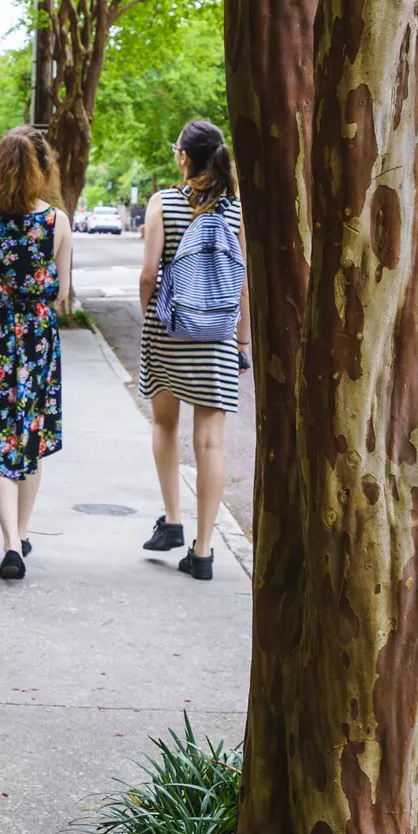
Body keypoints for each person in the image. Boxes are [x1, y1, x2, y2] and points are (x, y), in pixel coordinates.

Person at [0, 128, 73, 580]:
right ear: (41, 172)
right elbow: (61, 292)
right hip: (38, 337)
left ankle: (8, 542)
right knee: (31, 436)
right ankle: (22, 534)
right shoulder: (58, 222)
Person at [138, 119, 248, 579]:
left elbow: (149, 274)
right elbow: (244, 279)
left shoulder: (163, 203)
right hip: (218, 337)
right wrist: (242, 341)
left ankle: (173, 521)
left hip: (170, 329)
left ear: (184, 157)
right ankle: (203, 551)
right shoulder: (237, 211)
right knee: (211, 443)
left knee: (165, 424)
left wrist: (150, 316)